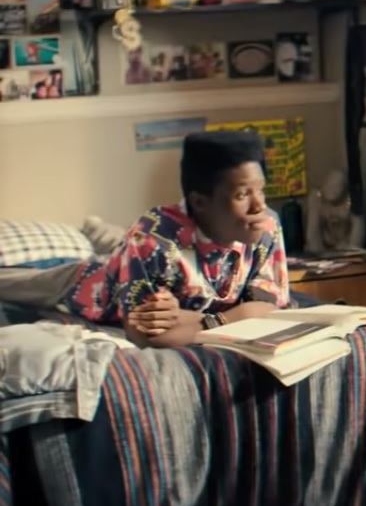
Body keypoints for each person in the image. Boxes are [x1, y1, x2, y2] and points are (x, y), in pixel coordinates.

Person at [0, 131, 289, 348]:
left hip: (135, 260)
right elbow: (145, 335)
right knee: (21, 284)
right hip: (95, 283)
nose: (259, 205)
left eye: (261, 190)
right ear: (200, 202)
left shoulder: (266, 225)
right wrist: (228, 318)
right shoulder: (150, 242)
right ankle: (93, 232)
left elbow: (267, 310)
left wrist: (190, 318)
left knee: (118, 244)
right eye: (242, 194)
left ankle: (97, 231)